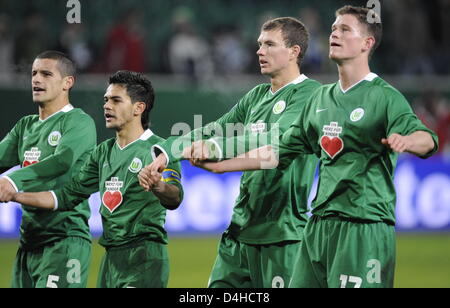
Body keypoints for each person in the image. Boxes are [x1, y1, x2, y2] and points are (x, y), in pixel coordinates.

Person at [191, 6, 439, 288]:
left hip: (363, 225)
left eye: (345, 29)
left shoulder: (384, 97)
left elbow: (427, 138)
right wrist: (222, 165)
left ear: (367, 44)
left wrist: (407, 140)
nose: (335, 33)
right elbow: (277, 151)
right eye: (334, 28)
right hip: (319, 225)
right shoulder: (321, 98)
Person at [139, 17, 321, 288]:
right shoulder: (256, 96)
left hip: (281, 236)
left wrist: (215, 148)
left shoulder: (311, 94)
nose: (260, 51)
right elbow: (215, 129)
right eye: (259, 44)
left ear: (294, 51)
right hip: (239, 234)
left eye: (270, 44)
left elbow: (271, 140)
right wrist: (166, 153)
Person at [12, 70, 183, 288]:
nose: (106, 105)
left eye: (115, 100)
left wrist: (159, 186)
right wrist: (16, 195)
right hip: (110, 258)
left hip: (144, 256)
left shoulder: (159, 150)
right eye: (105, 100)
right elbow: (66, 196)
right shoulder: (103, 152)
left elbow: (175, 197)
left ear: (138, 108)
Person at [0, 50, 97, 288]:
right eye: (33, 73)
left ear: (67, 82)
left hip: (64, 241)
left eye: (46, 73)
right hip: (29, 243)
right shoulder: (26, 126)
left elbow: (62, 160)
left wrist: (13, 180)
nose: (36, 79)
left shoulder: (78, 121)